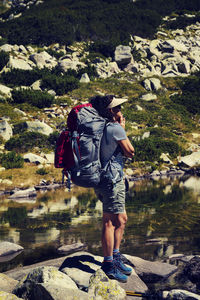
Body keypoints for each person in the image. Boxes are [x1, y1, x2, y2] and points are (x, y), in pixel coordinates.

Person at [90, 95, 135, 283]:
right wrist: (122, 130)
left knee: (121, 218)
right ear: (110, 111)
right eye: (117, 107)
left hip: (101, 180)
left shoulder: (98, 128)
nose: (120, 110)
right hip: (111, 180)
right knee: (109, 221)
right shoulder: (114, 128)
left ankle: (115, 257)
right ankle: (108, 265)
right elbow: (130, 152)